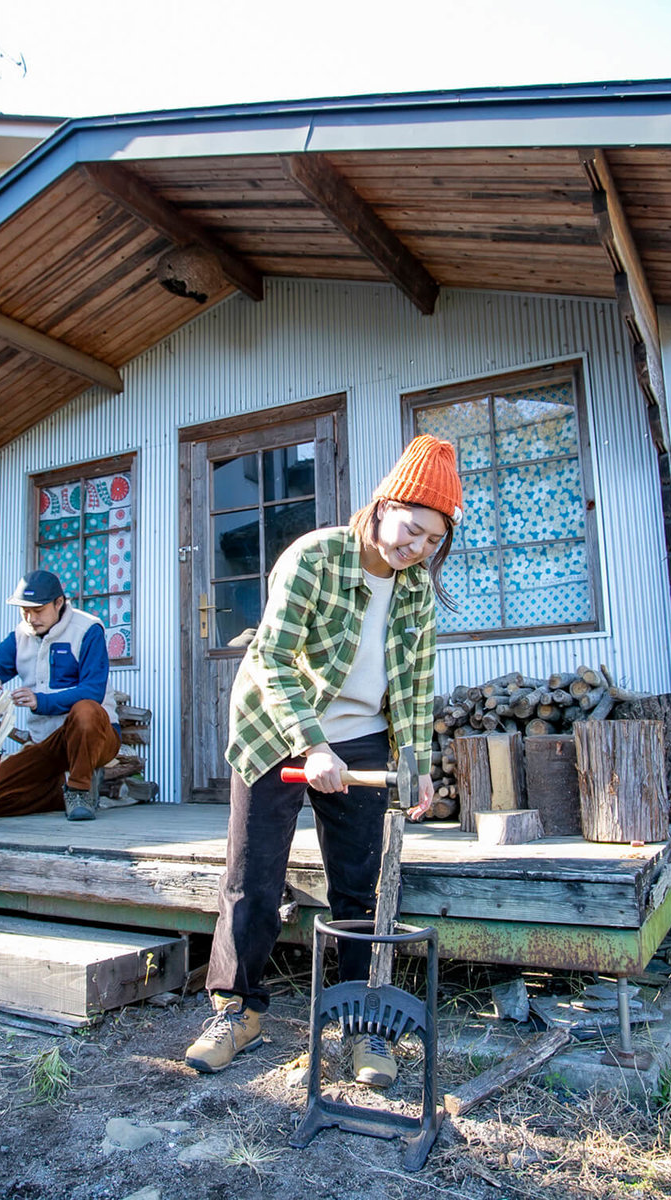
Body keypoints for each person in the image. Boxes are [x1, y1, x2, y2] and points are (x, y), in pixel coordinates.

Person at [185, 434, 462, 1087]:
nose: (416, 548)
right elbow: (273, 660)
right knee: (252, 877)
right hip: (279, 726)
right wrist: (312, 746)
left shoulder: (416, 590)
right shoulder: (315, 557)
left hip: (363, 733)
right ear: (385, 505)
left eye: (432, 541)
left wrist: (415, 760)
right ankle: (237, 1011)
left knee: (360, 886)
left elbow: (416, 684)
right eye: (412, 529)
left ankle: (361, 1024)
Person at [0, 569, 121, 821]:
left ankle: (80, 790)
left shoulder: (88, 628)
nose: (30, 618)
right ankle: (58, 795)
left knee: (86, 709)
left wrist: (41, 701)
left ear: (59, 603)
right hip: (47, 742)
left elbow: (93, 689)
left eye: (38, 610)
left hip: (97, 737)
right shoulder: (20, 635)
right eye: (24, 610)